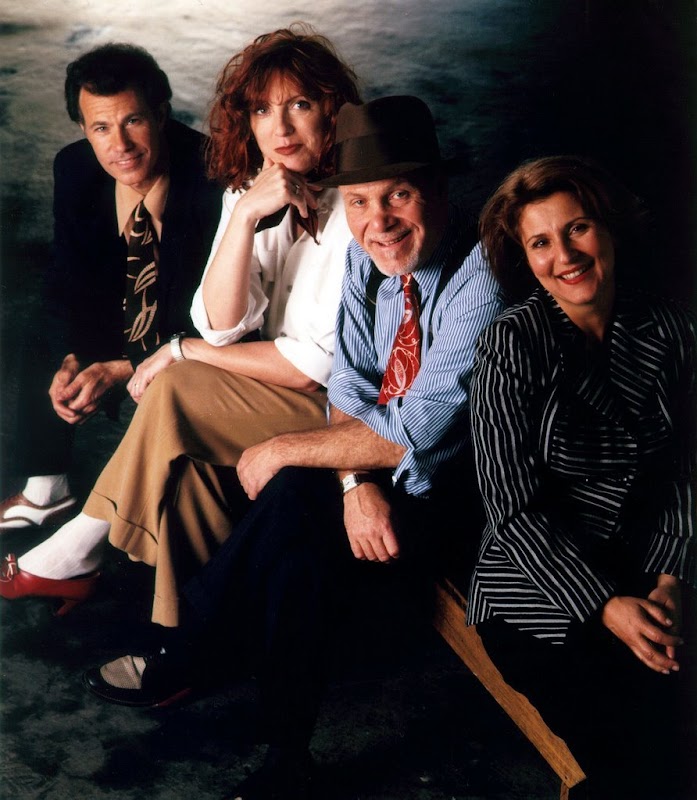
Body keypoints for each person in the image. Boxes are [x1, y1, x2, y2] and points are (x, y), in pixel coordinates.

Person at [82, 95, 504, 800]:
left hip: (462, 496)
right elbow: (350, 383)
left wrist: (286, 448)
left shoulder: (482, 275)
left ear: (437, 187)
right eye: (360, 201)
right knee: (296, 518)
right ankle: (280, 748)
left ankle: (199, 650)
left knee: (289, 499)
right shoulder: (369, 255)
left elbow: (421, 428)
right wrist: (354, 484)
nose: (378, 220)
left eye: (398, 195)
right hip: (383, 471)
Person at [0, 26, 361, 624]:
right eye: (262, 110)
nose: (280, 128)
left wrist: (175, 351)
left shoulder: (354, 204)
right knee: (185, 468)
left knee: (173, 388)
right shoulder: (251, 186)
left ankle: (79, 546)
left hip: (346, 413)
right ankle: (179, 641)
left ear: (332, 109)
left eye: (299, 105)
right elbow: (219, 327)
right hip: (264, 380)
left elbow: (306, 366)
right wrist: (244, 217)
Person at [467, 155, 696, 799]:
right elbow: (511, 508)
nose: (564, 255)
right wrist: (605, 605)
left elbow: (685, 468)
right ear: (524, 258)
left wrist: (671, 579)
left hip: (647, 562)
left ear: (609, 228)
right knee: (637, 753)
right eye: (540, 242)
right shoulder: (511, 343)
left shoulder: (671, 326)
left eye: (577, 228)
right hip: (538, 588)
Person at [0, 43, 223, 533]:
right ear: (83, 129)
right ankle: (47, 489)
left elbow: (214, 314)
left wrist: (125, 367)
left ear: (160, 115)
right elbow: (66, 278)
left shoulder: (214, 174)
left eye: (133, 121)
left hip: (192, 333)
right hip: (121, 312)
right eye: (100, 128)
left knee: (181, 374)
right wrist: (72, 359)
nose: (119, 144)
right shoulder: (75, 167)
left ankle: (121, 518)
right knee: (42, 325)